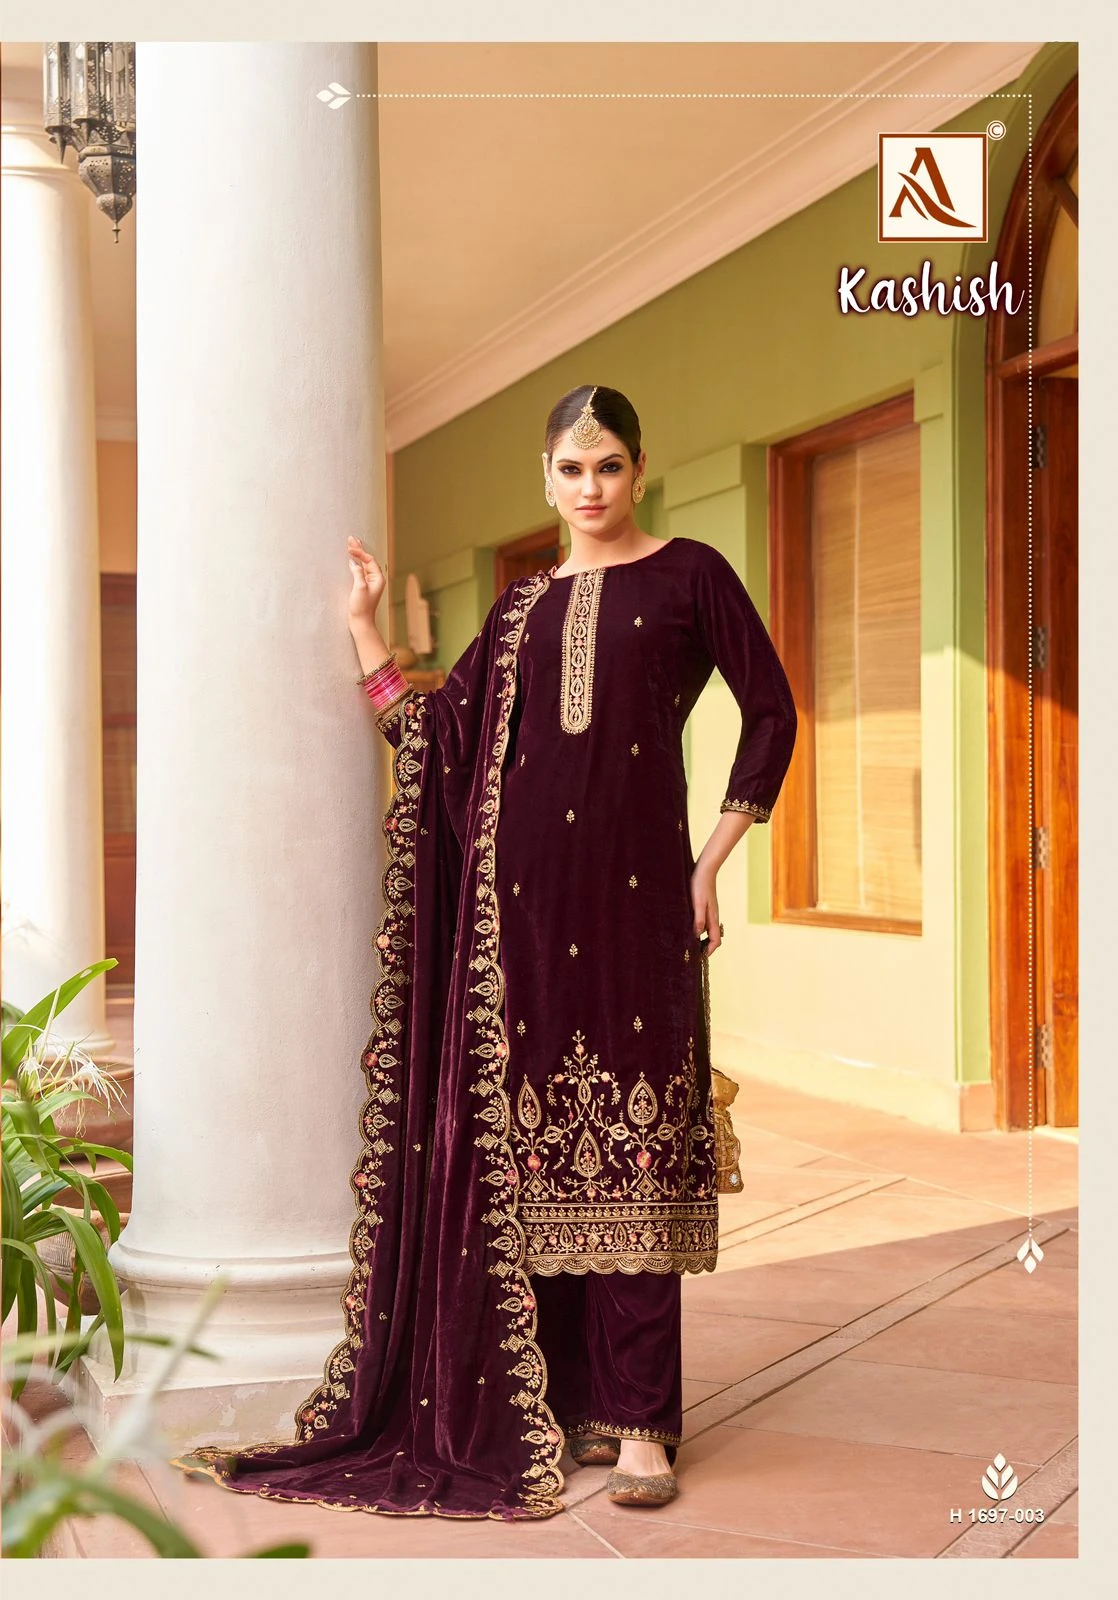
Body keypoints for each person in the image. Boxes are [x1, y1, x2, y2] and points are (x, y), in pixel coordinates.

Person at [170, 384, 797, 1521]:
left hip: (638, 910)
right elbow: (436, 736)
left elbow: (772, 711)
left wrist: (711, 860)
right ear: (545, 479)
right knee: (536, 1156)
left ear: (639, 469)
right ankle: (565, 1401)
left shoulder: (690, 575)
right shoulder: (518, 612)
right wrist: (367, 628)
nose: (590, 487)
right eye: (571, 469)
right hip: (517, 927)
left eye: (609, 465)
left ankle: (643, 1426)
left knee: (635, 1150)